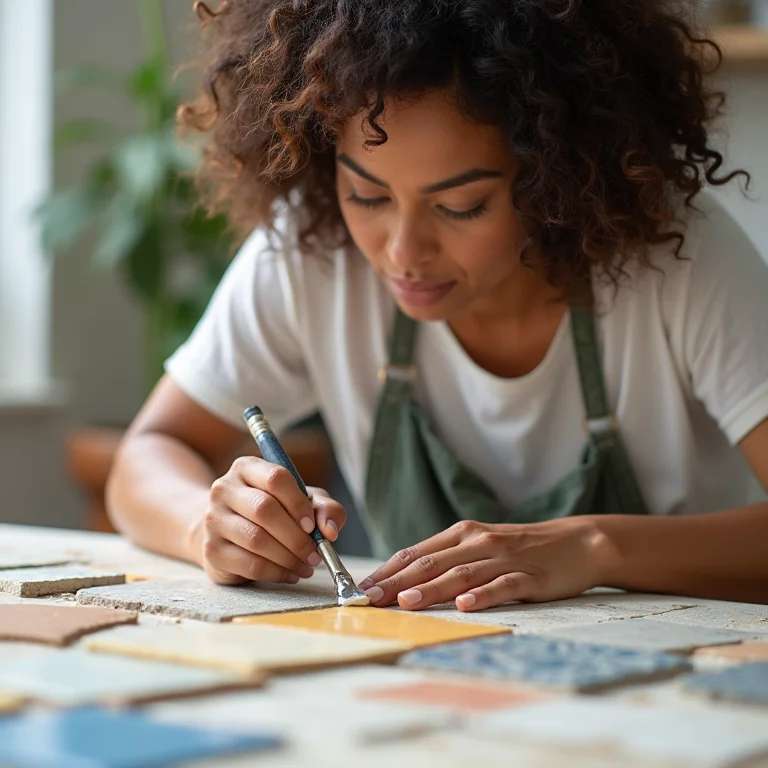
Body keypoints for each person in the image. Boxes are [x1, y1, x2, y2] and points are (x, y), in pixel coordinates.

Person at [107, 0, 768, 610]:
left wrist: (598, 547)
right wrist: (210, 523)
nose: (402, 251)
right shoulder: (314, 249)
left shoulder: (679, 258)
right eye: (367, 195)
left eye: (461, 206)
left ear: (556, 180)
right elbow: (151, 451)